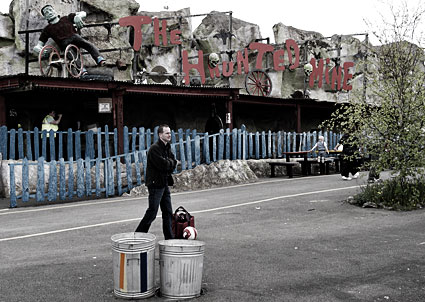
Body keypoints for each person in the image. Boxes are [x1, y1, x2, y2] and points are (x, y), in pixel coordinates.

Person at [135, 125, 177, 239]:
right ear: (160, 135)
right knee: (152, 212)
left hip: (164, 183)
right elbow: (163, 165)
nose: (169, 135)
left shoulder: (167, 147)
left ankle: (169, 238)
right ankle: (138, 235)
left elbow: (174, 162)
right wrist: (169, 163)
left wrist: (169, 163)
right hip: (155, 184)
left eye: (170, 133)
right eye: (167, 133)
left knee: (168, 212)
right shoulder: (154, 149)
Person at [33, 5, 106, 68]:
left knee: (88, 45)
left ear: (55, 11)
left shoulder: (66, 18)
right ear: (45, 17)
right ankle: (81, 70)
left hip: (75, 37)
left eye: (50, 10)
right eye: (46, 12)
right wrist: (37, 48)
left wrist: (78, 16)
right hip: (64, 44)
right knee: (71, 54)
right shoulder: (47, 29)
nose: (49, 13)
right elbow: (40, 44)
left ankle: (99, 58)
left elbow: (83, 13)